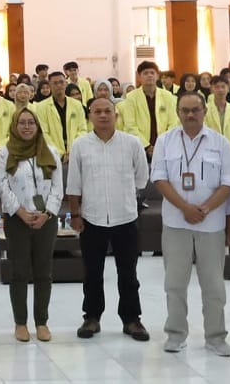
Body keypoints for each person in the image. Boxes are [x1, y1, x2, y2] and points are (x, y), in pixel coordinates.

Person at [151, 91, 230, 357]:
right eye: (185, 110)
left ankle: (216, 336)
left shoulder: (220, 143)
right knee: (175, 283)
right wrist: (185, 208)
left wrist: (206, 208)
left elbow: (228, 183)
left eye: (195, 110)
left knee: (213, 285)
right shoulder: (165, 142)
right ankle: (176, 334)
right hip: (176, 223)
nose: (190, 115)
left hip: (210, 225)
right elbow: (160, 179)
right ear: (177, 112)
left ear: (205, 111)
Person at [66, 98, 151, 342]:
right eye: (97, 112)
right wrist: (75, 214)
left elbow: (141, 179)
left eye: (108, 111)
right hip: (92, 218)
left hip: (125, 217)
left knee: (129, 273)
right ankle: (91, 317)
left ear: (116, 114)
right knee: (92, 272)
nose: (103, 115)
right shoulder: (81, 145)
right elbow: (74, 184)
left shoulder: (132, 143)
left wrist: (125, 199)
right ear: (89, 116)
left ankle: (131, 319)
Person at [0, 107, 63, 343]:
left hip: (46, 220)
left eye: (31, 123)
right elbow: (2, 186)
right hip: (17, 220)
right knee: (19, 271)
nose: (26, 127)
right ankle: (21, 322)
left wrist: (47, 213)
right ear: (14, 126)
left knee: (44, 271)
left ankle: (42, 322)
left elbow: (58, 187)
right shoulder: (5, 153)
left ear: (37, 126)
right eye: (22, 123)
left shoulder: (51, 151)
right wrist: (21, 212)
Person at [121, 61, 179, 160]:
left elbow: (173, 122)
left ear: (157, 76)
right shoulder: (131, 97)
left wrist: (161, 144)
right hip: (140, 147)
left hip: (165, 145)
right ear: (139, 77)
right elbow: (130, 125)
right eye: (145, 73)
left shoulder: (167, 96)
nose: (149, 75)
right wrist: (147, 146)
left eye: (152, 73)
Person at [34, 72, 88, 160]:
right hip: (52, 155)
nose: (59, 85)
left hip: (75, 153)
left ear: (66, 84)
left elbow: (82, 129)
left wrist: (72, 151)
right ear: (50, 86)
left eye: (61, 82)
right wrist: (59, 154)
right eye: (55, 83)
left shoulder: (77, 105)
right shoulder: (41, 107)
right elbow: (43, 133)